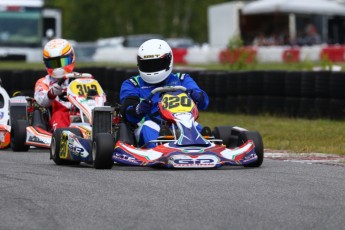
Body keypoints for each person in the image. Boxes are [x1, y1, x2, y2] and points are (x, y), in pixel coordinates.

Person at [120, 39, 209, 148]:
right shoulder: (133, 84)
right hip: (149, 123)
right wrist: (139, 109)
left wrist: (197, 96)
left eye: (157, 64)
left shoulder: (182, 79)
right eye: (148, 65)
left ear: (168, 60)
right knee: (149, 126)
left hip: (182, 122)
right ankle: (159, 148)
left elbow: (204, 101)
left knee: (196, 127)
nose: (153, 69)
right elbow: (127, 110)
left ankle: (204, 146)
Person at [34, 38, 76, 131]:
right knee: (60, 113)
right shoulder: (43, 82)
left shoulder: (81, 79)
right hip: (58, 113)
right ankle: (63, 138)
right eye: (53, 63)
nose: (58, 67)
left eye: (63, 61)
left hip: (80, 112)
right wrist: (51, 93)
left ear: (71, 57)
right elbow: (41, 100)